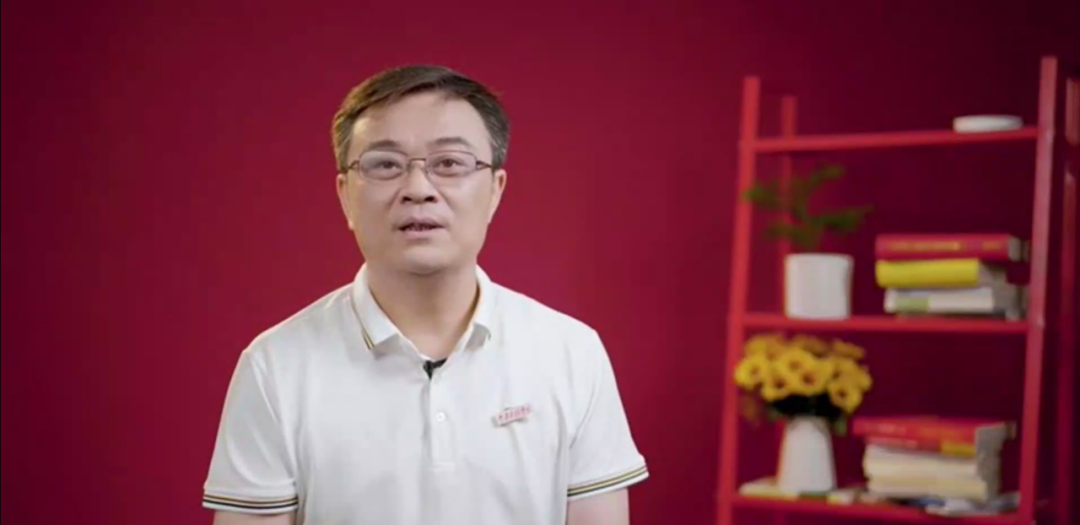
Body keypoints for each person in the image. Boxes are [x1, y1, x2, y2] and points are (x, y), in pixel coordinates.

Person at [202, 65, 648, 525]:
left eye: (449, 163)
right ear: (345, 196)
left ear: (495, 191)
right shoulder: (275, 367)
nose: (418, 189)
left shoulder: (571, 353)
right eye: (385, 165)